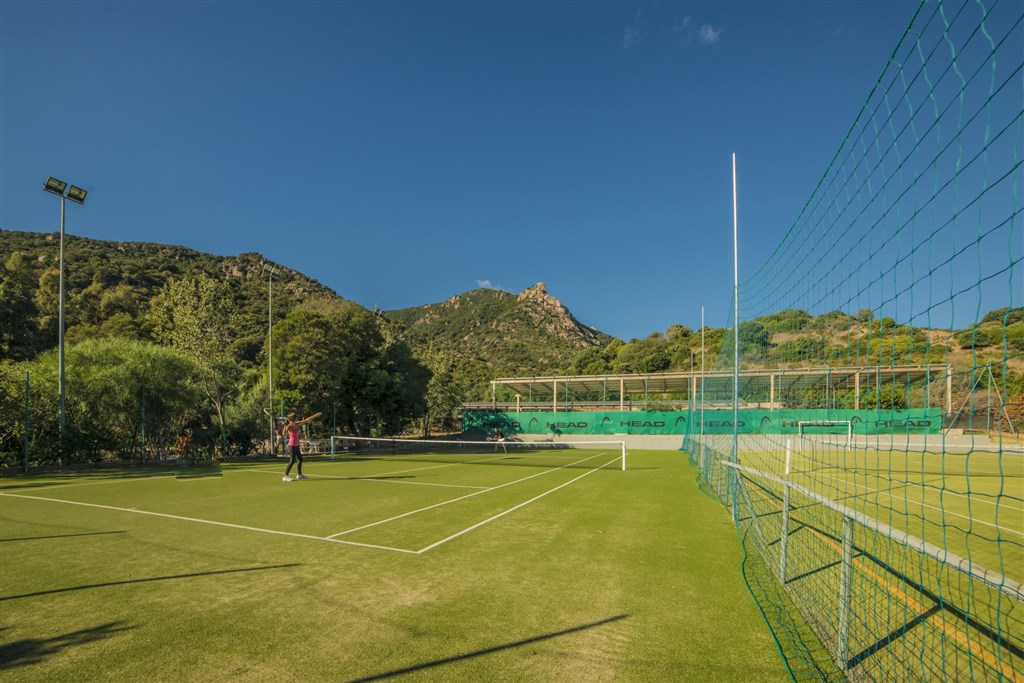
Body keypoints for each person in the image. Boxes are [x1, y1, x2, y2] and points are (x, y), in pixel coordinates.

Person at [282, 411, 322, 482]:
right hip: (292, 445)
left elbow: (306, 420)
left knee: (300, 459)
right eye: (296, 417)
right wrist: (285, 426)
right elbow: (283, 434)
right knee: (292, 460)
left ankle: (299, 475)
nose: (297, 418)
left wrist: (315, 415)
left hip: (296, 445)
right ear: (293, 419)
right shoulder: (289, 426)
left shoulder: (297, 424)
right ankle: (285, 476)